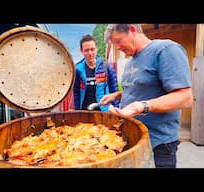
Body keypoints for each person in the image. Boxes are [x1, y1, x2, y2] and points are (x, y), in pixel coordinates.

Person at [100, 24, 193, 168]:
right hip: (134, 139)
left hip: (159, 143)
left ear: (132, 29)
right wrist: (117, 95)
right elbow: (138, 89)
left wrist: (140, 106)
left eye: (118, 41)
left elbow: (185, 97)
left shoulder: (165, 50)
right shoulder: (131, 60)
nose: (117, 47)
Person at [73, 34, 120, 112]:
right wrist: (78, 111)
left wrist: (116, 109)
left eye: (92, 49)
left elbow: (114, 90)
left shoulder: (107, 67)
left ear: (96, 48)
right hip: (85, 112)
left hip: (104, 111)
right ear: (81, 51)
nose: (90, 53)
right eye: (86, 50)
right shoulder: (78, 70)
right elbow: (76, 93)